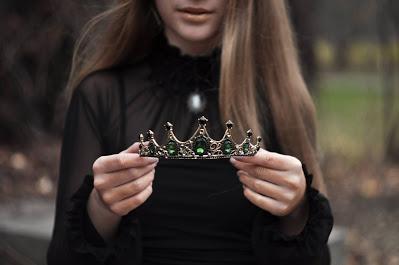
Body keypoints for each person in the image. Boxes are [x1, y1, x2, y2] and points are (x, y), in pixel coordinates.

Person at [47, 0, 334, 264]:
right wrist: (100, 210)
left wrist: (297, 213)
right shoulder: (101, 97)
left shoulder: (281, 102)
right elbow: (62, 259)